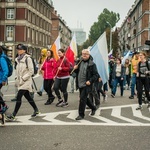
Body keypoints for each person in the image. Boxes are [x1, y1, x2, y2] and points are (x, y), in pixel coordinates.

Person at [6, 44, 40, 121]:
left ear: (24, 50)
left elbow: (31, 71)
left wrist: (23, 78)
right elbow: (17, 71)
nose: (19, 51)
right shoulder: (17, 59)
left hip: (26, 81)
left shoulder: (28, 58)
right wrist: (16, 78)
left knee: (19, 97)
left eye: (20, 49)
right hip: (20, 81)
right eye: (18, 49)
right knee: (28, 97)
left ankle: (13, 115)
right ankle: (36, 110)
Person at [74, 49, 98, 120]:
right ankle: (93, 107)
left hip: (87, 84)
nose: (84, 55)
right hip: (80, 83)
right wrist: (75, 68)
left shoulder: (92, 64)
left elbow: (95, 75)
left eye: (86, 54)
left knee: (82, 99)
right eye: (83, 53)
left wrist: (90, 81)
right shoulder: (79, 62)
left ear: (89, 55)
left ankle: (81, 115)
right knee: (84, 98)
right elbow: (76, 72)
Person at [0, 46, 9, 114]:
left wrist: (3, 79)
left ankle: (4, 105)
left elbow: (6, 70)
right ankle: (3, 105)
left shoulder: (2, 59)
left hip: (0, 79)